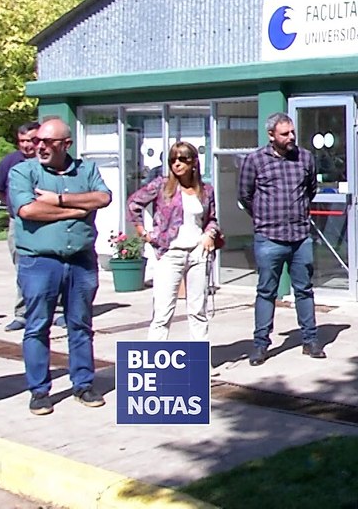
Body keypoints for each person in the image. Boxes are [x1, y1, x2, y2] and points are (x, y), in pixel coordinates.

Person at [7, 117, 113, 415]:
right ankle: (39, 391)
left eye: (47, 142)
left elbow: (103, 197)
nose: (39, 146)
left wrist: (60, 199)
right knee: (37, 326)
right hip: (39, 262)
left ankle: (83, 384)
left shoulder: (87, 169)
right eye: (37, 140)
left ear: (65, 144)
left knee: (80, 325)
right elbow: (27, 209)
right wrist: (77, 211)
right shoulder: (23, 172)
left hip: (80, 261)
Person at [238, 112, 324, 365]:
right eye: (285, 134)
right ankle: (261, 344)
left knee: (304, 290)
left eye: (292, 132)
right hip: (269, 237)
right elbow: (245, 195)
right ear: (271, 135)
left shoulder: (305, 157)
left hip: (299, 236)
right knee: (266, 291)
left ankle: (310, 340)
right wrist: (263, 218)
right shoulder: (254, 160)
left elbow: (311, 190)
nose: (291, 137)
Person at [127, 141, 223, 342]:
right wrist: (145, 233)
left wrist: (210, 234)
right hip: (170, 253)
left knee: (198, 311)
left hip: (198, 253)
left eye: (182, 159)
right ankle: (156, 364)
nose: (177, 164)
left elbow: (211, 219)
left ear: (194, 162)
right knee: (163, 313)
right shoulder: (162, 186)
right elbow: (133, 204)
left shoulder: (206, 190)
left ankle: (198, 364)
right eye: (172, 160)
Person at [0, 121, 62, 332]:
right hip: (19, 223)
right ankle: (22, 313)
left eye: (30, 140)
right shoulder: (10, 162)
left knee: (55, 265)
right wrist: (15, 206)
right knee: (23, 267)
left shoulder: (51, 161)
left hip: (50, 220)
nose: (27, 146)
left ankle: (57, 311)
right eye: (22, 141)